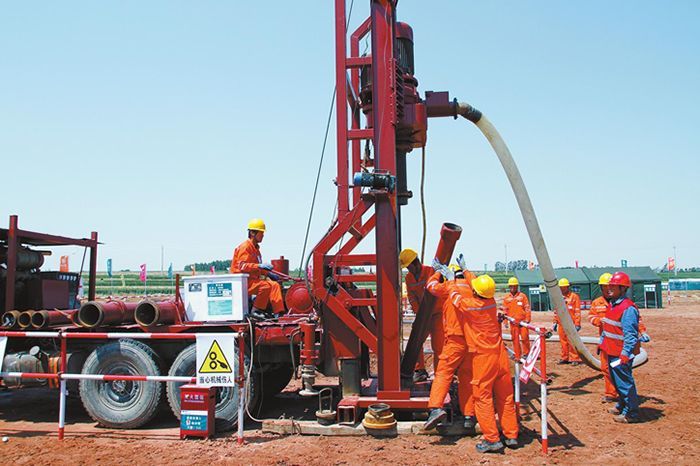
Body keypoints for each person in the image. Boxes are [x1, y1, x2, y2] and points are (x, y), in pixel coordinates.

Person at [451, 274, 518, 453]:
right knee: (505, 397)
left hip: (484, 357)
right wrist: (466, 270)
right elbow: (481, 288)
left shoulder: (471, 305)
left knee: (482, 397)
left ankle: (492, 439)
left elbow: (455, 298)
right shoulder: (491, 303)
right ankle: (511, 435)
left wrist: (450, 280)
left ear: (475, 292)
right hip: (500, 356)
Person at [423, 259, 477, 433]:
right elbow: (475, 280)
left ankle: (435, 408)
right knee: (467, 378)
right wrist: (467, 269)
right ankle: (469, 416)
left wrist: (438, 272)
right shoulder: (474, 288)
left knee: (443, 374)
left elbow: (431, 286)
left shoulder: (449, 288)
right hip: (471, 341)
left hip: (455, 341)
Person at [600, 271, 641, 423]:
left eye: (613, 286)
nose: (609, 288)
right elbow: (608, 328)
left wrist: (625, 353)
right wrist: (602, 343)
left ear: (623, 288)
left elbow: (630, 335)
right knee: (617, 382)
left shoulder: (627, 309)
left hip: (620, 354)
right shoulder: (612, 305)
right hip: (611, 350)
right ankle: (622, 405)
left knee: (624, 383)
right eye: (609, 286)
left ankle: (631, 413)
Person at [400, 248, 445, 383]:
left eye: (409, 267)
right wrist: (419, 313)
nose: (408, 270)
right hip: (423, 315)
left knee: (438, 346)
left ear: (416, 263)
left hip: (437, 314)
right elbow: (412, 297)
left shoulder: (431, 272)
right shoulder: (409, 278)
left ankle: (439, 374)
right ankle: (420, 370)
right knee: (416, 341)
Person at [229, 218, 284, 319]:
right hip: (242, 282)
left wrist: (269, 274)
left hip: (252, 281)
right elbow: (242, 266)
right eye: (261, 233)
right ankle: (255, 311)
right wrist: (259, 266)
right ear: (252, 233)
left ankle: (279, 313)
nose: (263, 235)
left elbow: (256, 268)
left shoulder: (256, 249)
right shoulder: (245, 247)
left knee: (275, 285)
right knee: (265, 286)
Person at [588, 272, 617, 402]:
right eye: (605, 287)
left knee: (619, 368)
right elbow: (591, 316)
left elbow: (635, 319)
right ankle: (611, 393)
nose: (608, 289)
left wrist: (641, 331)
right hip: (605, 341)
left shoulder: (621, 303)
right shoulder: (597, 303)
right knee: (606, 368)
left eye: (610, 286)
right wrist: (599, 321)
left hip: (619, 342)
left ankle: (622, 394)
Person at [553, 278, 582, 365]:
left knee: (572, 341)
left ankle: (575, 358)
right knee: (563, 341)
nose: (562, 289)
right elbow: (556, 310)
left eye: (564, 287)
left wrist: (577, 323)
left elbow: (577, 311)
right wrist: (555, 322)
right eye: (561, 287)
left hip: (571, 323)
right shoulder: (558, 297)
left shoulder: (574, 297)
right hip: (561, 323)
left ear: (568, 287)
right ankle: (564, 357)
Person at [502, 277, 531, 359]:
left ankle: (526, 354)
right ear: (509, 287)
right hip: (513, 323)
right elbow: (505, 310)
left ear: (517, 286)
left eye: (514, 286)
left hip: (523, 322)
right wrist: (505, 322)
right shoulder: (507, 298)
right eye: (511, 286)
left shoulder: (522, 296)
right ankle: (517, 354)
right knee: (515, 339)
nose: (513, 288)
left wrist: (527, 319)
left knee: (525, 338)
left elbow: (527, 308)